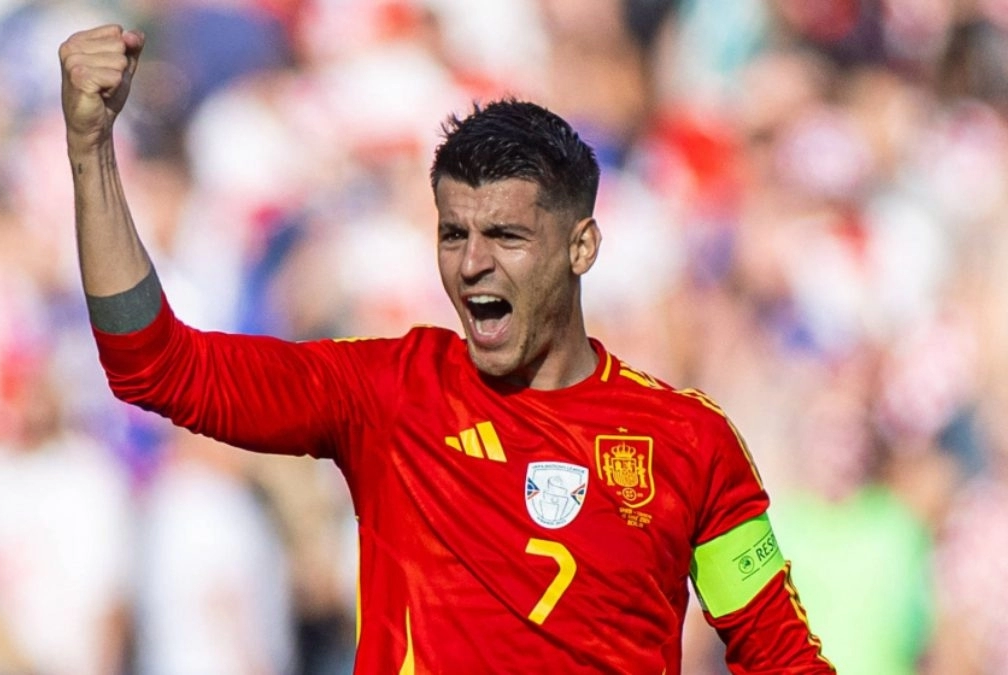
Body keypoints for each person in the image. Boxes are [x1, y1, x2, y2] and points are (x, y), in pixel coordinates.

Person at [59, 24, 834, 673]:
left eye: (506, 236)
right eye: (453, 233)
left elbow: (780, 653)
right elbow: (153, 365)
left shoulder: (688, 441)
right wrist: (92, 151)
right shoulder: (389, 390)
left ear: (582, 246)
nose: (471, 264)